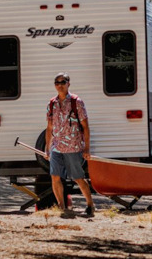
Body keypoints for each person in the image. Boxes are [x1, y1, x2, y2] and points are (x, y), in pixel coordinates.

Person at [44, 73, 95, 217]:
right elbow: (49, 127)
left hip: (73, 146)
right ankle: (62, 207)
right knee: (55, 176)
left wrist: (87, 148)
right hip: (56, 146)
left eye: (63, 82)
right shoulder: (51, 103)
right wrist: (47, 147)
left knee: (78, 177)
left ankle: (90, 205)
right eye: (57, 82)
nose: (60, 85)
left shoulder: (76, 102)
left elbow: (85, 126)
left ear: (68, 84)